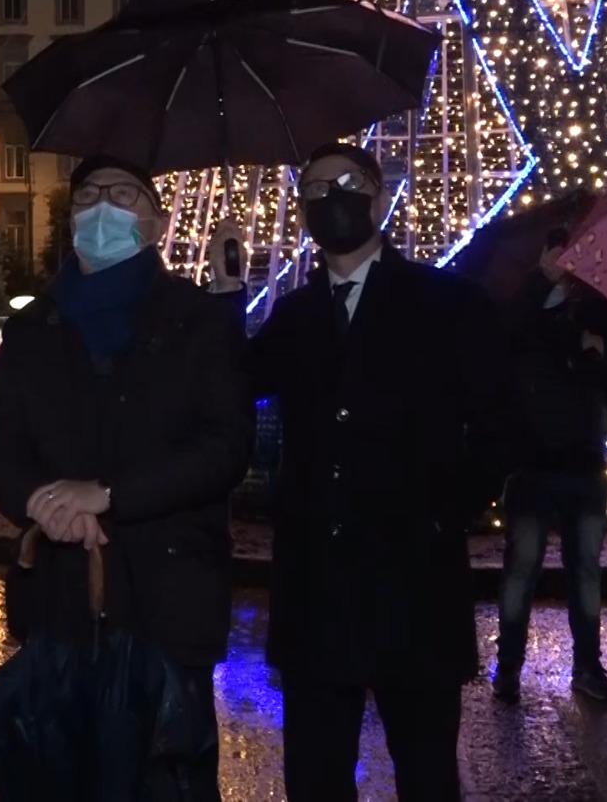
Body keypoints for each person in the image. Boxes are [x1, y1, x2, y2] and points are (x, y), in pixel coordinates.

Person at [0, 155, 255, 800]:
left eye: (123, 193)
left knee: (167, 779)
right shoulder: (31, 327)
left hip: (168, 592)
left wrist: (108, 496)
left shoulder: (201, 320)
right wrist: (38, 502)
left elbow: (224, 447)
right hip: (60, 597)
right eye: (89, 194)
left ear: (154, 219)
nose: (104, 205)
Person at [235, 143, 508, 801]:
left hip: (413, 584)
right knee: (317, 777)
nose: (331, 198)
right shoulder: (295, 314)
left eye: (347, 184)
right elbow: (234, 386)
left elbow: (503, 424)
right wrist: (222, 300)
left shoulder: (446, 301)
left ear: (379, 198)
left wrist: (446, 510)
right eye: (315, 187)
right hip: (317, 593)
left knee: (426, 774)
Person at [492, 227, 607, 706]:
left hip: (585, 465)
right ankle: (509, 667)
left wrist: (606, 360)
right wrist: (540, 283)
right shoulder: (523, 312)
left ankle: (588, 667)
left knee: (585, 573)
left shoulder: (597, 315)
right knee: (521, 571)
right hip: (533, 464)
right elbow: (502, 338)